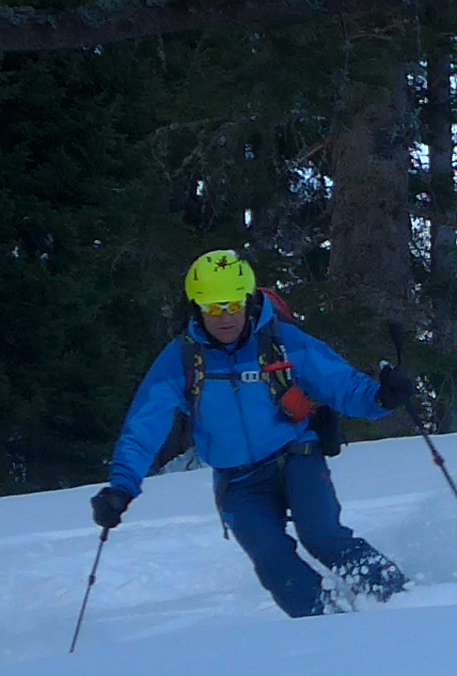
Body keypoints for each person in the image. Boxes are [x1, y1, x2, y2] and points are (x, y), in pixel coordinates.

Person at [89, 250, 423, 617]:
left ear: (247, 301)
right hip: (239, 481)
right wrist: (121, 487)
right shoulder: (180, 360)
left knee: (322, 535)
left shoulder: (283, 341)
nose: (225, 317)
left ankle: (400, 598)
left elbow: (339, 383)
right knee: (272, 559)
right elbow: (143, 427)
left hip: (296, 456)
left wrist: (381, 397)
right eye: (213, 308)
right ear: (196, 308)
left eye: (233, 305)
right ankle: (325, 622)